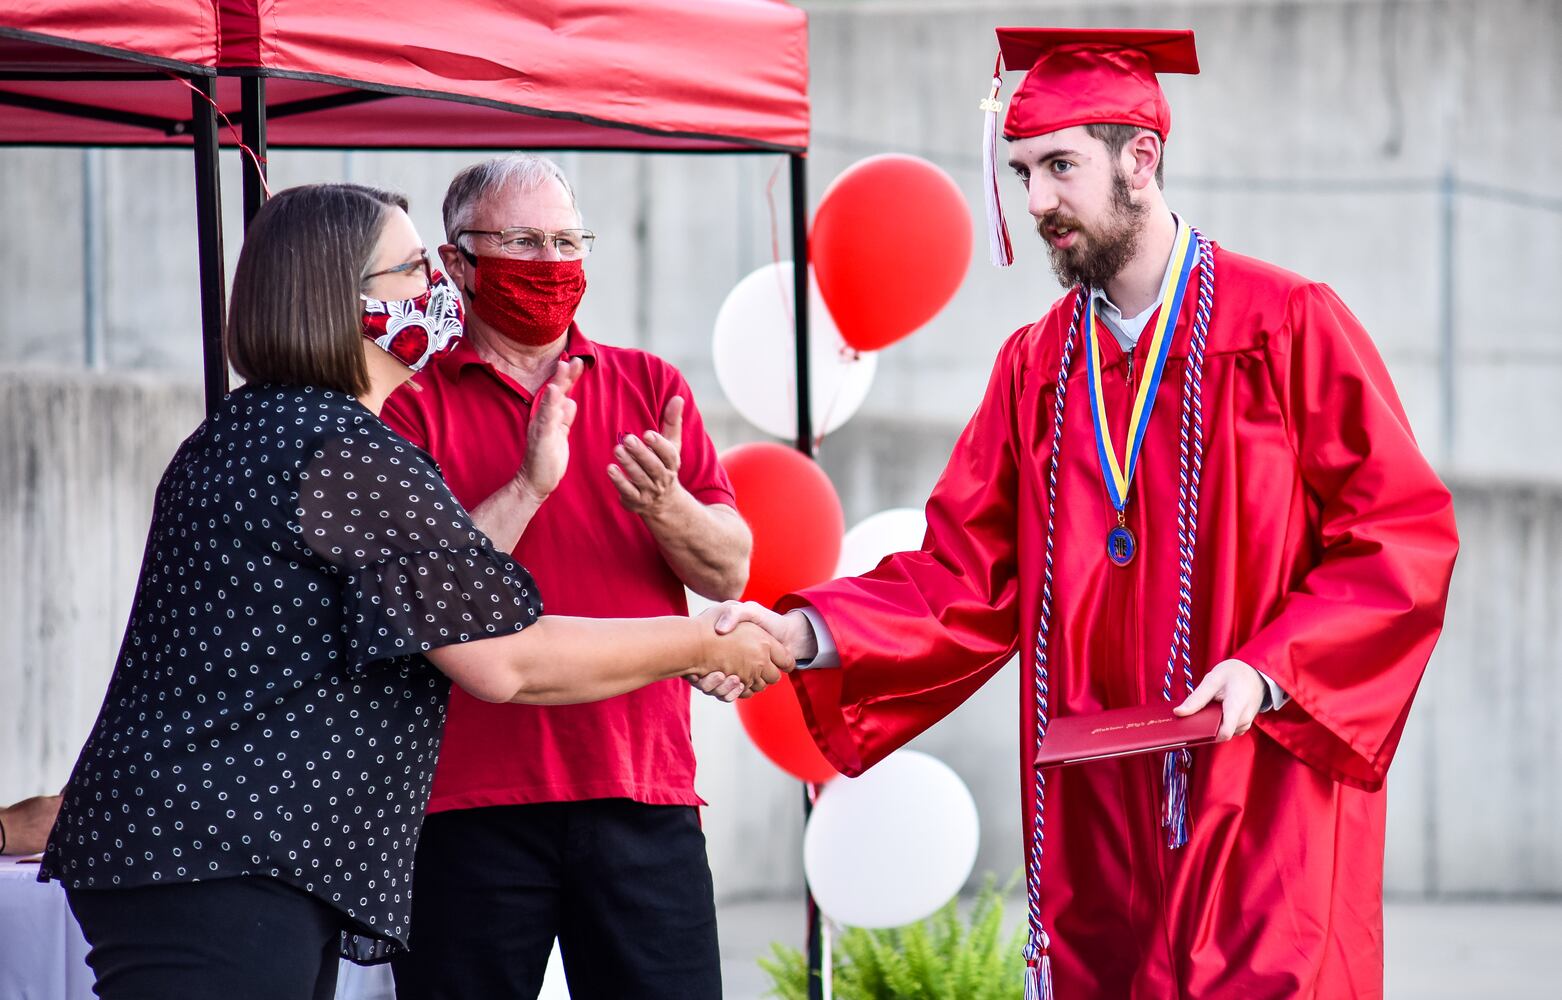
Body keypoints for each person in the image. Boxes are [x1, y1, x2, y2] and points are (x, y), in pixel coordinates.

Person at [717, 27, 1459, 999]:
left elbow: (1397, 533)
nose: (1034, 203)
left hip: (1257, 798)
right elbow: (959, 571)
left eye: (1058, 167)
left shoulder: (1281, 325)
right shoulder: (1035, 366)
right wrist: (808, 629)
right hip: (1092, 813)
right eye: (1021, 171)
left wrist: (1268, 670)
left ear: (1139, 159)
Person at [36, 183, 788, 1000]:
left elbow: (427, 598)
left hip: (207, 849)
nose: (437, 292)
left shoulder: (263, 429)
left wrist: (538, 489)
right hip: (229, 851)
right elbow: (506, 661)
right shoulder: (346, 450)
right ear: (343, 299)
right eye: (415, 271)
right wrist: (710, 640)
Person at [381, 155, 750, 1000]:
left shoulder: (650, 385)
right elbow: (421, 602)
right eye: (521, 241)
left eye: (565, 240)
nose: (549, 264)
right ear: (456, 263)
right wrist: (525, 486)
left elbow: (729, 569)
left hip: (641, 788)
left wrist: (668, 507)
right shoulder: (410, 409)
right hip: (466, 805)